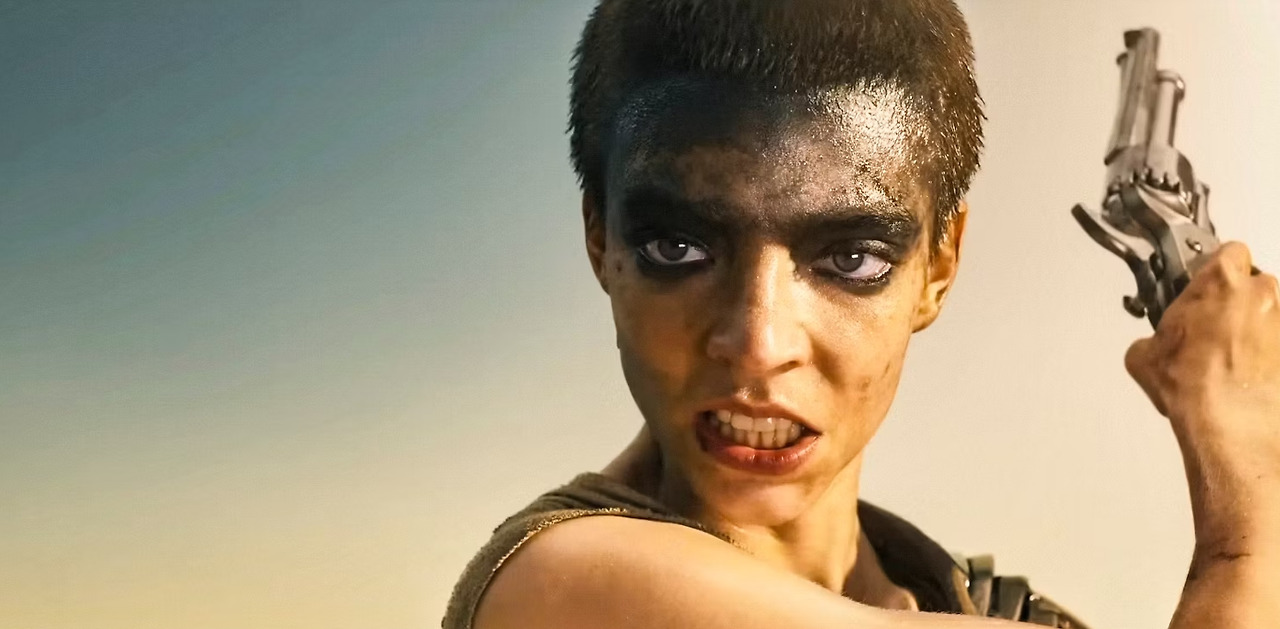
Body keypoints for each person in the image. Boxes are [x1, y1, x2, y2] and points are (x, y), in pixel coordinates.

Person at [443, 1, 1280, 627]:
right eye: (679, 248)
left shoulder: (982, 603)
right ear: (600, 239)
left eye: (849, 259)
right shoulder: (562, 588)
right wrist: (1248, 474)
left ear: (939, 265)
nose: (758, 344)